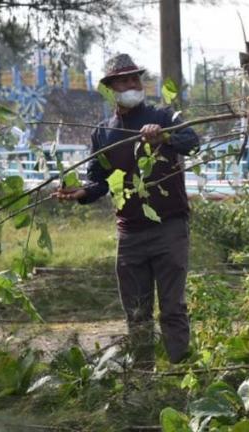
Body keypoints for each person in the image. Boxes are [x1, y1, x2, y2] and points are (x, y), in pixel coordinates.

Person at [52, 53, 200, 367]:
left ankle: (180, 371)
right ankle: (143, 379)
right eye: (124, 80)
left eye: (136, 78)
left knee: (172, 308)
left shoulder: (164, 116)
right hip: (130, 234)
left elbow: (192, 140)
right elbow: (98, 181)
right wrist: (81, 193)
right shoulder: (103, 133)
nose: (132, 84)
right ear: (110, 89)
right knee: (137, 312)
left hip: (169, 228)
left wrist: (164, 137)